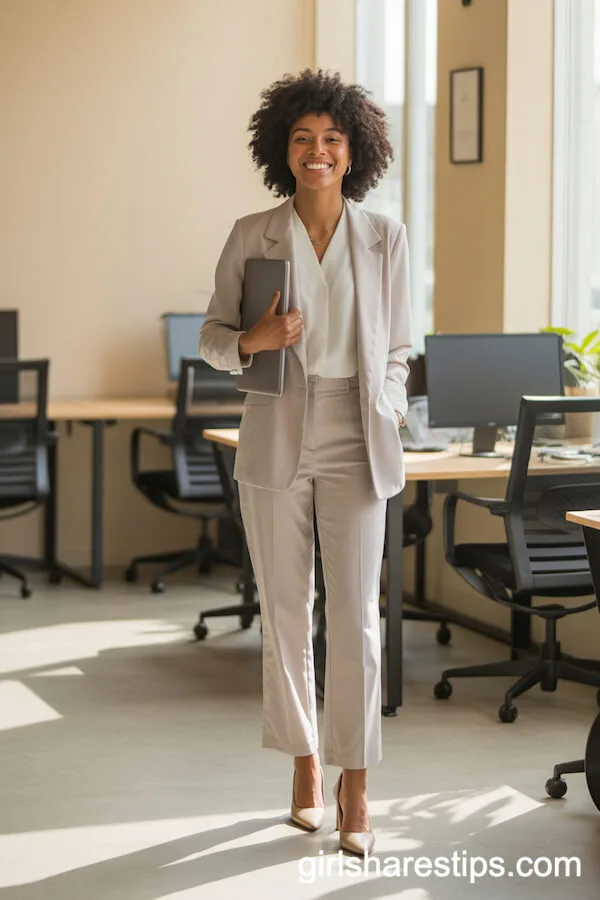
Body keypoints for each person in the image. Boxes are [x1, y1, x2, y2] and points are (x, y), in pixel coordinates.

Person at [199, 69, 412, 856]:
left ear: (353, 151)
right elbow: (215, 337)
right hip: (276, 427)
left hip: (358, 429)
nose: (317, 151)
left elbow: (399, 349)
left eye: (332, 139)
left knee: (355, 616)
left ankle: (358, 786)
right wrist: (252, 342)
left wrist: (387, 400)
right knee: (288, 613)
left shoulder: (384, 236)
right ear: (281, 150)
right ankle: (305, 762)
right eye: (303, 139)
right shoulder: (252, 233)